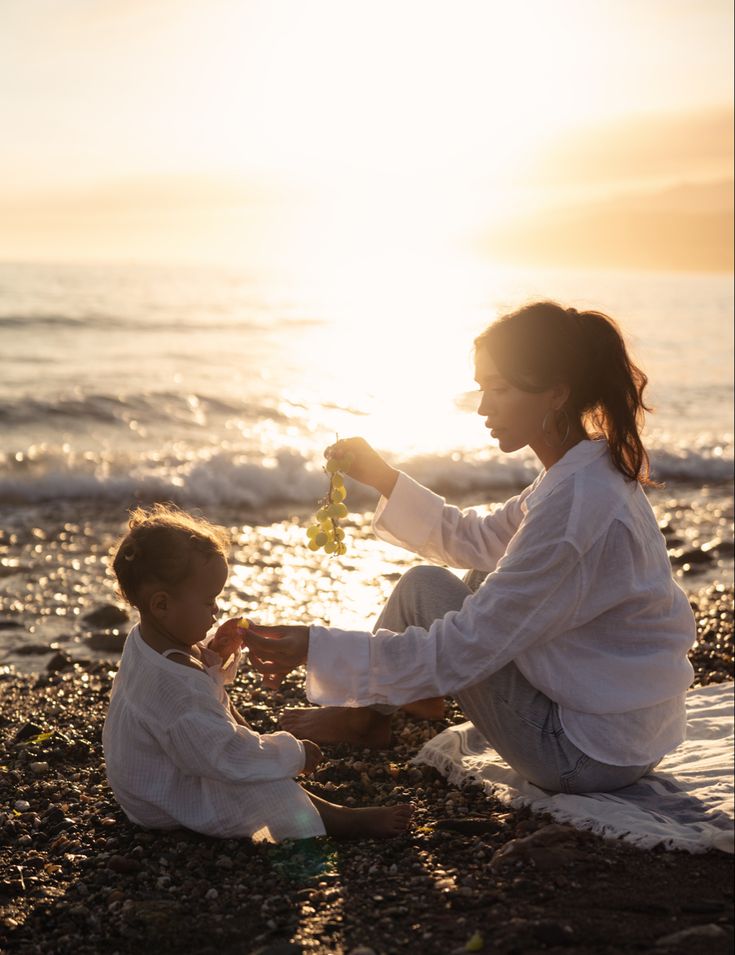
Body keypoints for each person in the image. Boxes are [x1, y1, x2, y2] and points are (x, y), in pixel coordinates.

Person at [241, 300, 697, 795]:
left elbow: (464, 645)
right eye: (482, 389)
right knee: (473, 575)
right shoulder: (585, 469)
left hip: (584, 754)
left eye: (500, 389)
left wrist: (318, 646)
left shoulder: (574, 503)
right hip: (629, 732)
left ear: (556, 394)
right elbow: (478, 538)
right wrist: (383, 478)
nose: (483, 408)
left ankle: (366, 716)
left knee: (426, 591)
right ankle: (374, 713)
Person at [102, 503, 412, 842]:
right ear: (161, 604)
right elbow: (223, 754)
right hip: (163, 799)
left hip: (153, 775)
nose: (217, 610)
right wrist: (292, 754)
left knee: (252, 759)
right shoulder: (177, 690)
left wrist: (214, 654)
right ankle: (343, 821)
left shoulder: (149, 639)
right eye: (209, 601)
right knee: (263, 786)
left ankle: (311, 798)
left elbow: (194, 683)